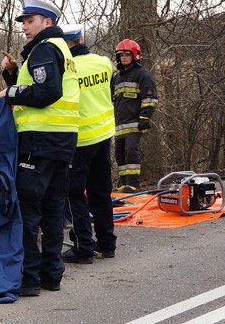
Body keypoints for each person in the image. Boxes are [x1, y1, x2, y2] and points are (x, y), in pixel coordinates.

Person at [0, 0, 80, 296]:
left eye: (29, 21)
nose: (24, 27)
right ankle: (51, 275)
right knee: (53, 208)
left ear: (48, 22)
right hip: (62, 140)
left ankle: (29, 277)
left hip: (39, 142)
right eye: (22, 22)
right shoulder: (59, 48)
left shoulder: (44, 48)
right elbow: (41, 85)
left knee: (28, 209)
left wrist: (9, 92)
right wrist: (12, 73)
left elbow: (47, 91)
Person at [60, 24, 117, 264]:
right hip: (103, 135)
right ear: (82, 38)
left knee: (73, 194)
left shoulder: (66, 68)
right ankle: (107, 244)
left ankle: (83, 247)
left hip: (80, 139)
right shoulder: (104, 62)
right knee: (100, 191)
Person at [112, 39, 158, 192]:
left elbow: (150, 98)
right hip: (119, 125)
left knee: (131, 152)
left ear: (135, 56)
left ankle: (133, 184)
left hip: (134, 124)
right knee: (120, 155)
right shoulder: (117, 78)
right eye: (121, 55)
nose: (124, 58)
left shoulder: (142, 75)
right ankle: (124, 183)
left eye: (127, 54)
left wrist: (144, 118)